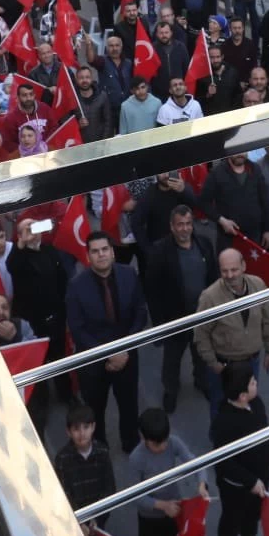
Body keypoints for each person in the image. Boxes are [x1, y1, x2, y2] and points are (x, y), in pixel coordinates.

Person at [64, 231, 147, 453]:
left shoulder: (129, 274)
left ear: (112, 251)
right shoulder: (76, 286)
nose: (101, 255)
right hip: (94, 364)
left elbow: (140, 314)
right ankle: (99, 448)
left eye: (104, 249)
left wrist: (124, 351)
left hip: (127, 357)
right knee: (95, 410)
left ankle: (131, 444)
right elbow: (78, 329)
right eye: (95, 251)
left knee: (129, 406)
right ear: (88, 256)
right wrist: (109, 355)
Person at [141, 204, 218, 415]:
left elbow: (213, 277)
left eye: (188, 224)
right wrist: (159, 324)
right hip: (175, 318)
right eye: (180, 225)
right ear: (172, 227)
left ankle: (201, 382)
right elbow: (152, 289)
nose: (185, 229)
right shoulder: (159, 251)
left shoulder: (204, 244)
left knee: (201, 353)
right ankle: (171, 391)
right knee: (172, 360)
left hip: (202, 316)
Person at [192, 247, 269, 435]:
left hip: (251, 362)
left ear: (244, 266)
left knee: (249, 401)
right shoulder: (210, 297)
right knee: (219, 405)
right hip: (224, 366)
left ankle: (245, 440)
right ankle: (219, 445)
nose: (230, 275)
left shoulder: (258, 285)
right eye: (224, 271)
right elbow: (200, 334)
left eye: (234, 269)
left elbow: (267, 320)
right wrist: (213, 363)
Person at [128, 407, 207, 536]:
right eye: (157, 443)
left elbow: (194, 462)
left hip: (174, 512)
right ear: (144, 438)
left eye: (165, 440)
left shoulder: (173, 442)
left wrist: (202, 483)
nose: (163, 446)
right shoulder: (136, 458)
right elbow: (135, 496)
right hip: (149, 518)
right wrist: (163, 506)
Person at [211, 361, 269, 536]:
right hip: (236, 486)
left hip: (260, 476)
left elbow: (265, 430)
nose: (256, 384)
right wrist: (250, 481)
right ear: (242, 395)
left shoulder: (256, 403)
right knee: (232, 518)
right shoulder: (224, 423)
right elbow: (225, 463)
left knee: (253, 513)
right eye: (253, 382)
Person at [52, 402, 116, 512]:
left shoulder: (102, 452)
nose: (82, 433)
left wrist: (97, 516)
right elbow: (64, 492)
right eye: (76, 429)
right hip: (75, 514)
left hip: (99, 512)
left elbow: (109, 487)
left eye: (86, 427)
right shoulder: (62, 458)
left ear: (93, 427)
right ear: (69, 432)